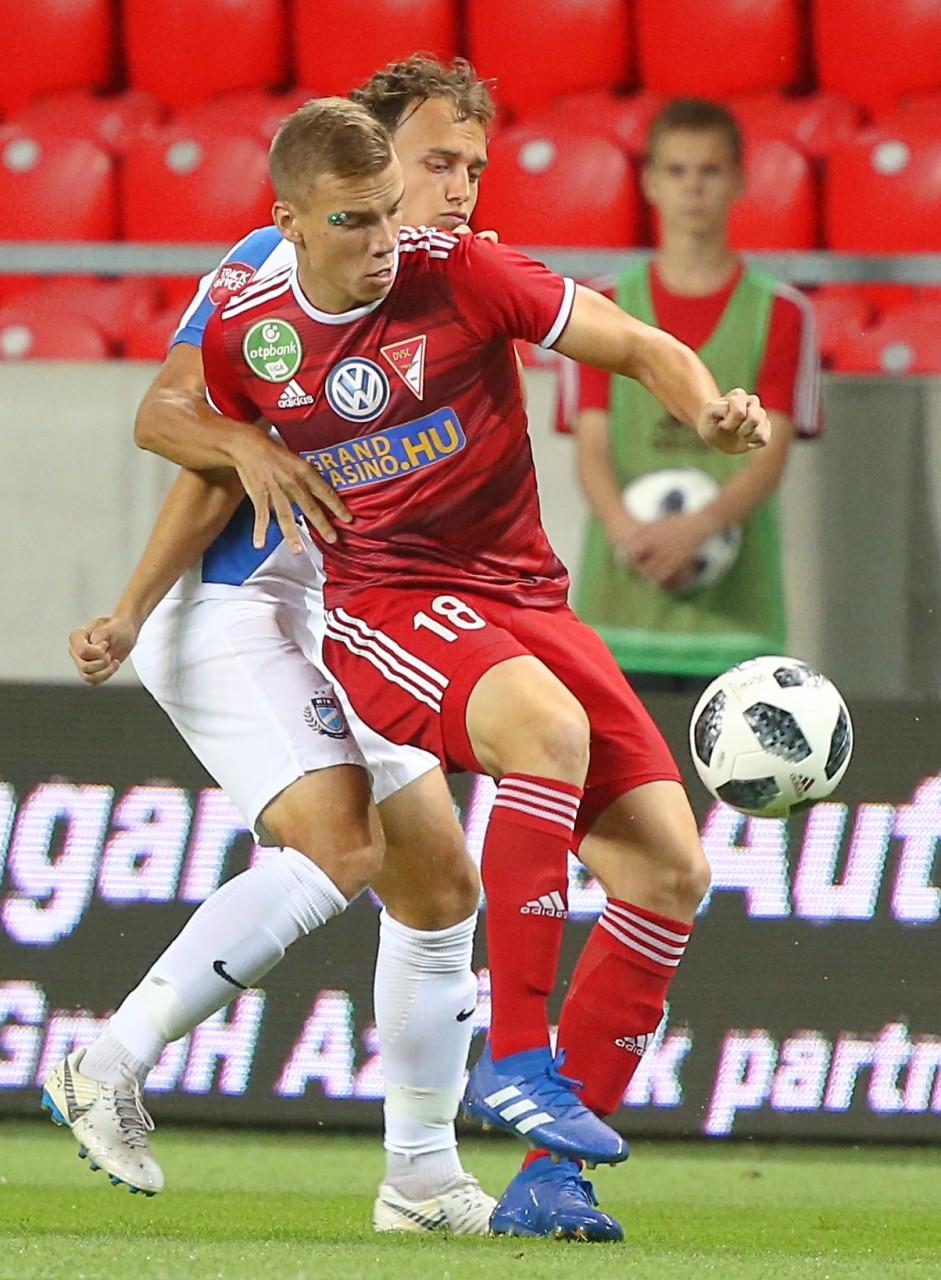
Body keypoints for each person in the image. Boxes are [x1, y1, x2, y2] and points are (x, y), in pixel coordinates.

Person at [198, 95, 771, 1243]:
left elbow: (635, 343)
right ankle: (512, 1052)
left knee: (669, 870)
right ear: (298, 218)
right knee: (544, 731)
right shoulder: (246, 330)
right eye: (365, 213)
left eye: (458, 175)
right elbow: (182, 427)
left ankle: (551, 1178)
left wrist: (706, 408)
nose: (397, 230)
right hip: (388, 604)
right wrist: (175, 549)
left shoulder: (468, 273)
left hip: (525, 597)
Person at [50, 57, 498, 1238]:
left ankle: (419, 1178)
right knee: (340, 844)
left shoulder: (442, 286)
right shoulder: (278, 269)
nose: (458, 188)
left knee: (440, 885)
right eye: (436, 163)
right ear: (366, 165)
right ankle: (105, 1059)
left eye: (471, 166)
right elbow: (177, 422)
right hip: (240, 603)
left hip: (344, 616)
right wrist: (139, 600)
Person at [570, 98, 820, 694]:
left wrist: (699, 527)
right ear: (650, 182)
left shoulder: (781, 311)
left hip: (735, 624)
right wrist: (629, 532)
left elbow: (772, 452)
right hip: (619, 616)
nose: (693, 187)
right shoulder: (602, 305)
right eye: (677, 170)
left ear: (738, 181)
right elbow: (590, 447)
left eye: (709, 170)